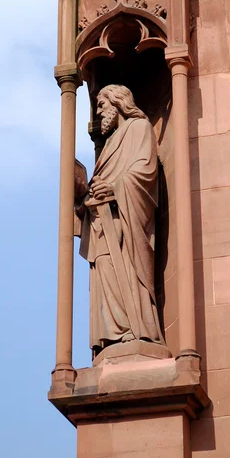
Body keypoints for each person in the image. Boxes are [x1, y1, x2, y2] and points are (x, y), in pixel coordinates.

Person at [77, 84, 164, 355]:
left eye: (102, 103)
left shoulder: (138, 128)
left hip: (125, 219)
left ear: (117, 102)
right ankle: (114, 335)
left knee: (124, 269)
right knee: (104, 269)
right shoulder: (111, 142)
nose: (100, 109)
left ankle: (136, 330)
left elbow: (145, 171)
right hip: (103, 222)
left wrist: (114, 188)